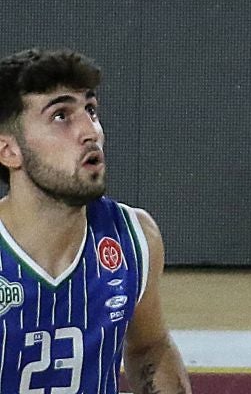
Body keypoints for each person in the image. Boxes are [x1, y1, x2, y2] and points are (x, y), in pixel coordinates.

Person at [0, 48, 190, 394]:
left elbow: (149, 348)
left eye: (90, 110)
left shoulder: (134, 238)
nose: (91, 132)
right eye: (61, 116)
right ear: (9, 151)